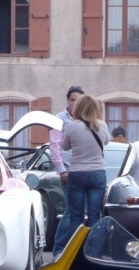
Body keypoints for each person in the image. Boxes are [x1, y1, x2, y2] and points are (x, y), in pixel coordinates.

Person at [61, 94, 110, 242]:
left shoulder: (72, 126)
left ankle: (75, 254)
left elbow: (65, 146)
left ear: (78, 108)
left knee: (76, 216)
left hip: (77, 172)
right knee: (95, 215)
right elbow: (106, 141)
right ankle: (94, 251)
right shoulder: (102, 125)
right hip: (97, 172)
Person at [49, 85, 84, 258]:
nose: (74, 103)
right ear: (67, 101)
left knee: (82, 211)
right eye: (72, 100)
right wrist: (61, 170)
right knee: (71, 210)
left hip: (84, 169)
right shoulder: (59, 120)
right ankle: (59, 250)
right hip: (68, 170)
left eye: (78, 100)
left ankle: (76, 250)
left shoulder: (86, 119)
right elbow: (54, 147)